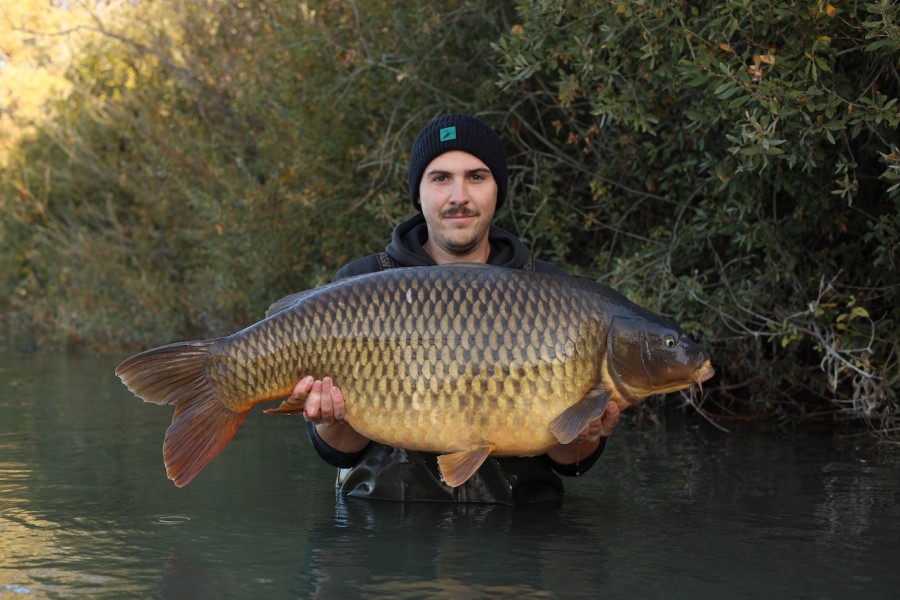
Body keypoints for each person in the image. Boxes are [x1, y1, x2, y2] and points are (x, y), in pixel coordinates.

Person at [291, 113, 620, 504]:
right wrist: (333, 416)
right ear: (418, 193)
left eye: (476, 177)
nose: (458, 196)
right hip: (384, 535)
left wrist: (586, 434)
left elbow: (571, 463)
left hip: (516, 538)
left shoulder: (552, 295)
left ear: (497, 189)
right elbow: (338, 451)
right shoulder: (362, 283)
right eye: (440, 178)